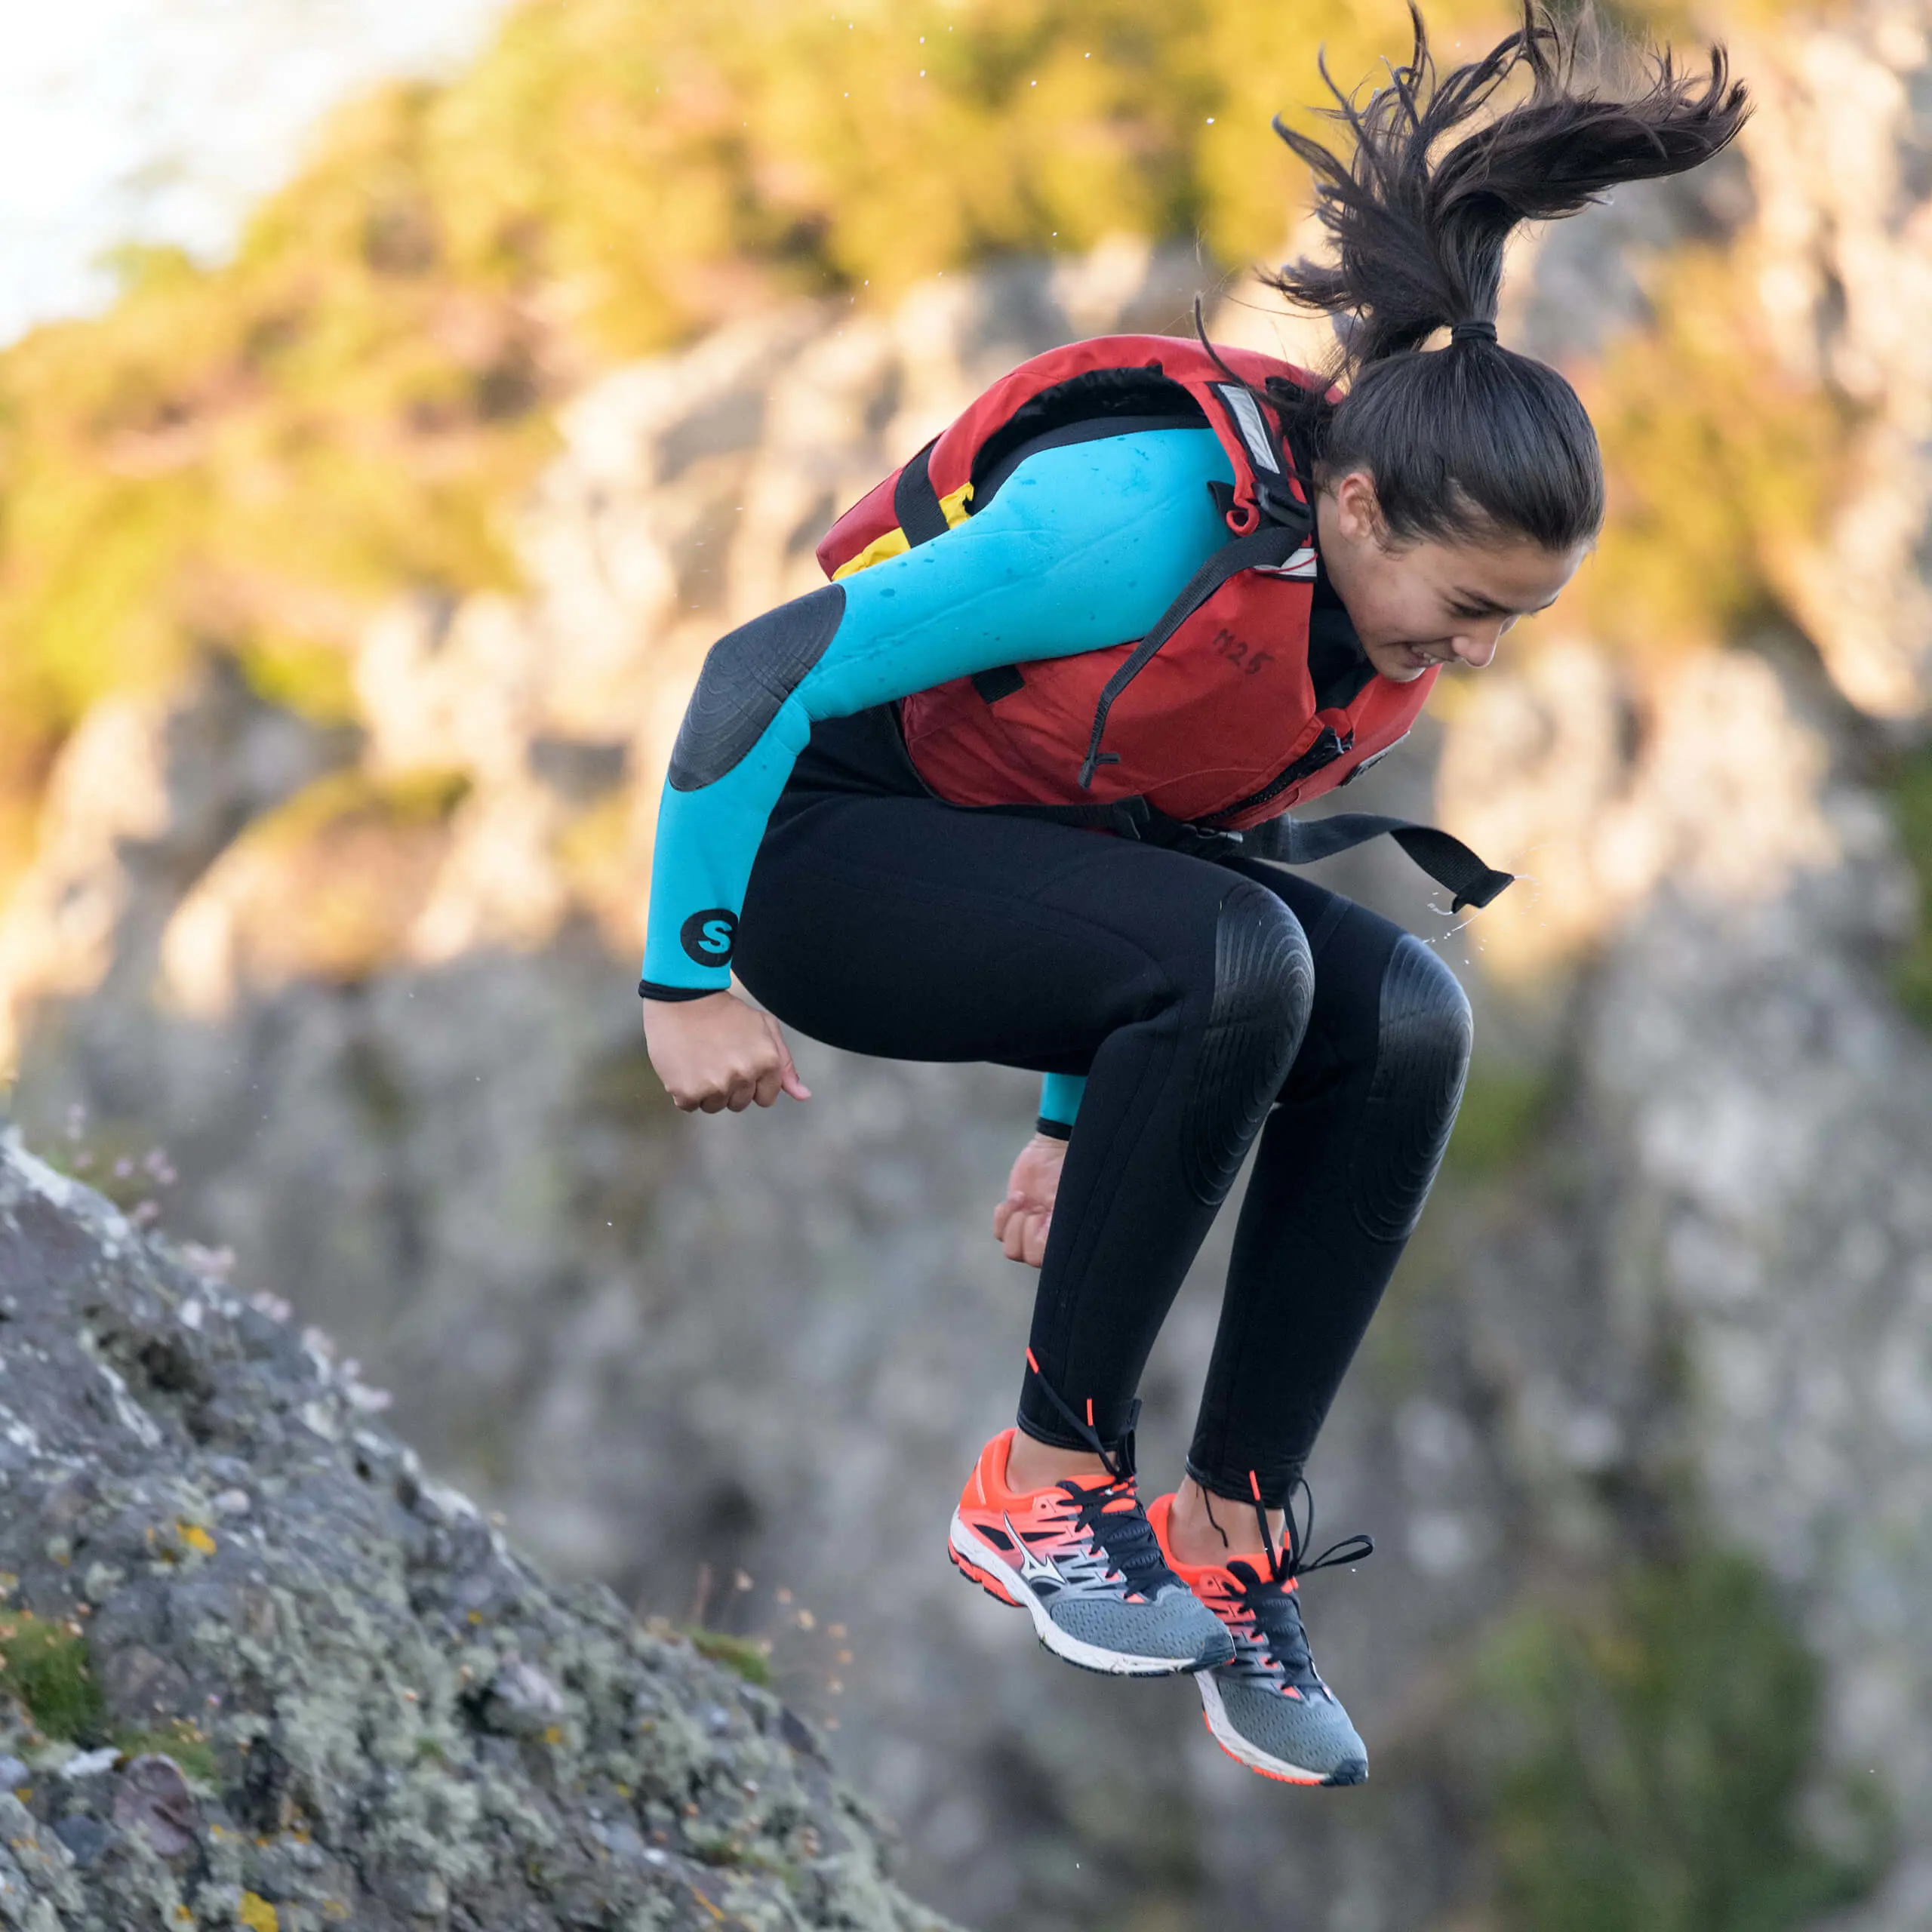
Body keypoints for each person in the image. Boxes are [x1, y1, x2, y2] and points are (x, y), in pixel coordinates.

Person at [638, 6, 1748, 1787]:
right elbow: (754, 668)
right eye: (1460, 603)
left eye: (1507, 627)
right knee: (1240, 950)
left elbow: (1143, 838)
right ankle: (1044, 1487)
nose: (1467, 652)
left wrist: (1089, 1124)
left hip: (1020, 880)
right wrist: (683, 977)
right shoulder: (1142, 517)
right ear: (1359, 498)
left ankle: (1232, 1544)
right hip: (811, 861)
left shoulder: (1355, 639)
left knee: (1402, 1015)